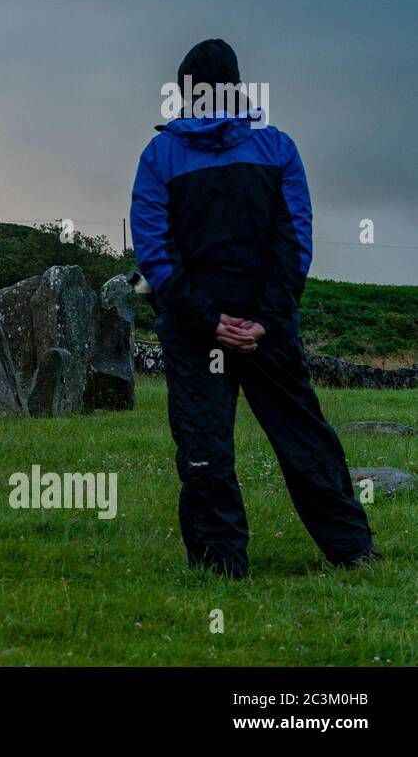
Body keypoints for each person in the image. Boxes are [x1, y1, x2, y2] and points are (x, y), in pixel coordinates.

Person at [130, 38, 377, 578]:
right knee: (303, 438)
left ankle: (221, 564)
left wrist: (210, 322)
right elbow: (294, 244)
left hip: (197, 335)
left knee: (204, 448)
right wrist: (265, 319)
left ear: (184, 93)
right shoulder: (278, 148)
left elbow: (154, 252)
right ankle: (352, 550)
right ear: (237, 89)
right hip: (267, 331)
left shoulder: (159, 157)